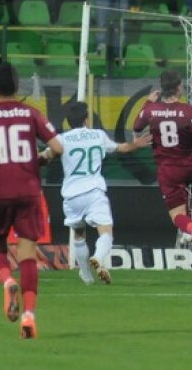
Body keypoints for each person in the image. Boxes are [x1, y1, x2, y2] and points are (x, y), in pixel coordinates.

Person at [0, 63, 64, 339]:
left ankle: (8, 282)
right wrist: (40, 159)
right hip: (29, 191)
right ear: (18, 87)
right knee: (28, 254)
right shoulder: (32, 113)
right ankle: (29, 316)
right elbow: (57, 148)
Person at [46, 101, 151, 285]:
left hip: (71, 196)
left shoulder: (61, 139)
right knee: (106, 232)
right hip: (94, 191)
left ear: (68, 121)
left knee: (79, 235)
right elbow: (122, 148)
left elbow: (46, 155)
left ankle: (86, 276)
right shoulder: (98, 136)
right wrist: (137, 144)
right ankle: (99, 257)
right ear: (87, 119)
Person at [132, 70, 192, 254]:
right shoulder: (189, 110)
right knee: (182, 195)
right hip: (191, 166)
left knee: (176, 215)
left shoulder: (151, 109)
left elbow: (136, 126)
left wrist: (148, 102)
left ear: (162, 89)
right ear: (178, 87)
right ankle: (187, 231)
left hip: (168, 169)